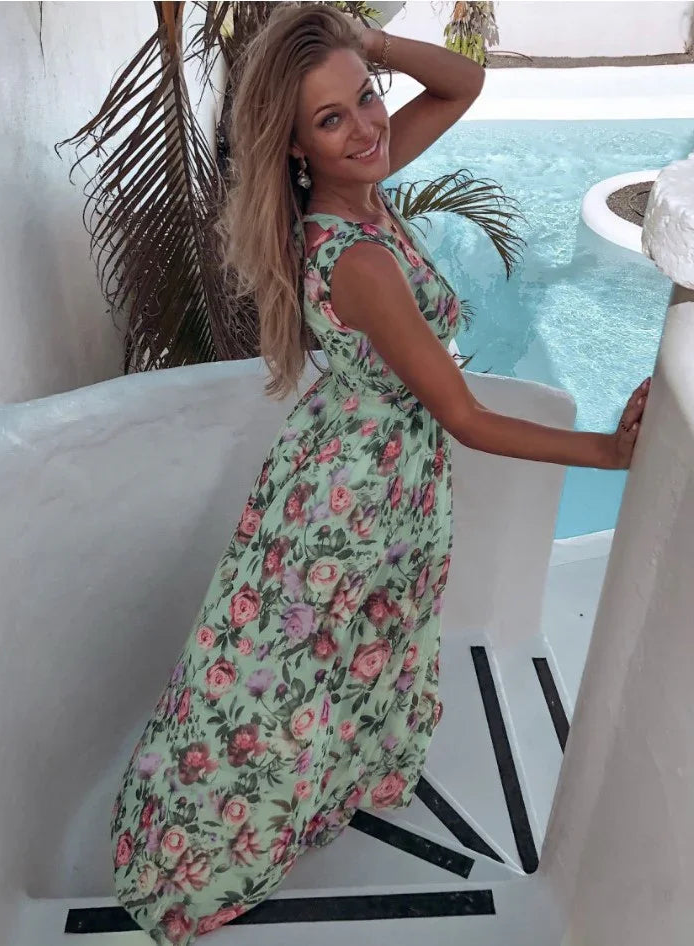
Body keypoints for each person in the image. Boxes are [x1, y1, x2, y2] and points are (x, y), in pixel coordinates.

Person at [110, 5, 650, 943]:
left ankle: (320, 792)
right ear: (293, 146)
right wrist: (607, 450)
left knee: (327, 663)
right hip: (351, 504)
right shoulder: (356, 257)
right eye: (331, 119)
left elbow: (465, 82)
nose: (365, 127)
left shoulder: (359, 183)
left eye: (364, 101)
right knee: (285, 685)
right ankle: (198, 856)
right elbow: (469, 416)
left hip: (360, 477)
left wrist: (370, 46)